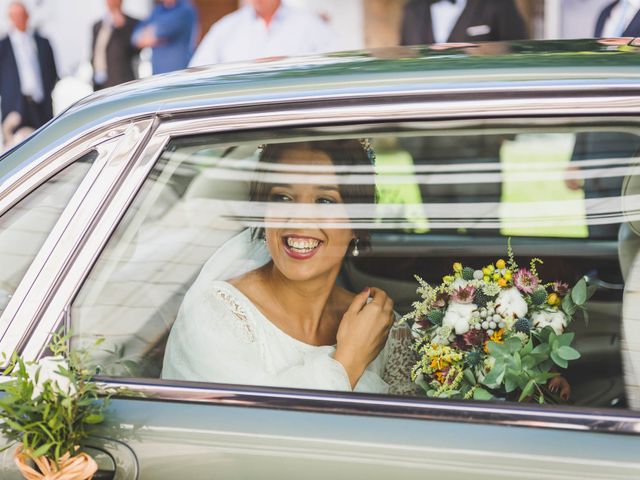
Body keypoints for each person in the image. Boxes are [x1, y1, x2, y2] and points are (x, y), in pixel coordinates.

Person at [162, 140, 416, 394]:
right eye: (283, 197)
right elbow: (245, 429)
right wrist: (349, 360)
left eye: (325, 201)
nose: (299, 218)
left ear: (357, 222)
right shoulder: (216, 315)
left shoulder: (381, 327)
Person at [188, 0, 334, 67]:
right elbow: (197, 74)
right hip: (240, 122)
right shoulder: (224, 29)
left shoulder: (310, 24)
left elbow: (333, 68)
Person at [0, 1, 58, 134]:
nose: (18, 19)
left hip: (41, 107)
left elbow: (52, 72)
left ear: (27, 16)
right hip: (15, 110)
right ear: (10, 18)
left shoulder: (43, 42)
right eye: (15, 15)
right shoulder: (3, 47)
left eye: (21, 15)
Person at [400, 0, 527, 46]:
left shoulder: (498, 4)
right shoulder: (412, 10)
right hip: (423, 99)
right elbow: (403, 58)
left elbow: (518, 50)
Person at [131, 0, 198, 74]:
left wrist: (148, 34)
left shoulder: (184, 9)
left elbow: (160, 31)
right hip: (158, 75)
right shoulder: (157, 10)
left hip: (180, 74)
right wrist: (154, 37)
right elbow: (135, 38)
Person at [91, 0, 140, 90]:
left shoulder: (132, 23)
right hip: (101, 83)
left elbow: (134, 51)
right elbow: (94, 54)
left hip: (124, 82)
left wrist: (121, 28)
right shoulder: (97, 26)